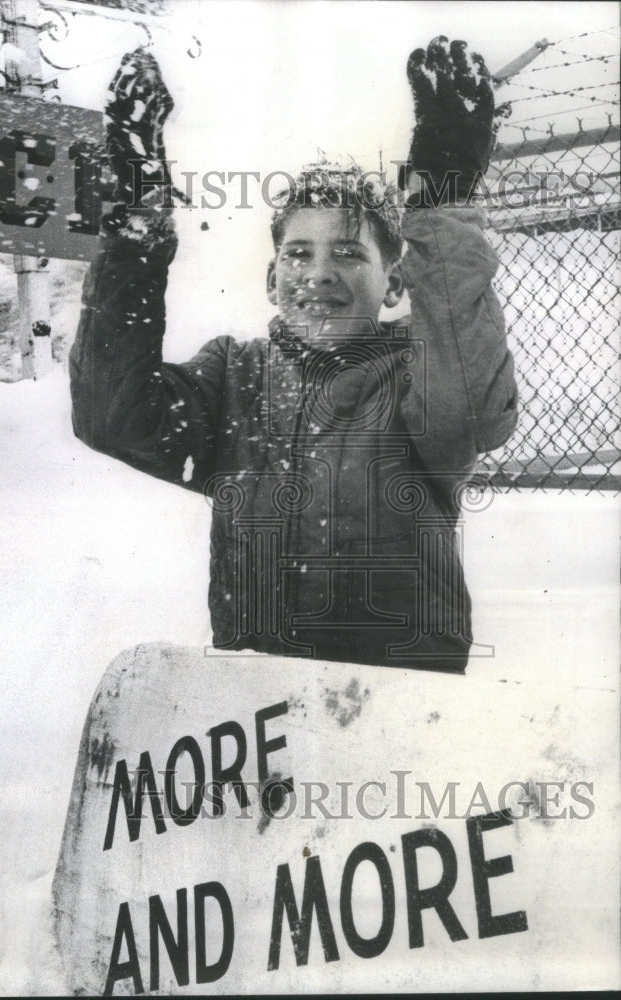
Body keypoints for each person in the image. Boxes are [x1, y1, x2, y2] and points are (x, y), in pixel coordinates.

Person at [69, 37, 518, 672]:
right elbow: (114, 417)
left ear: (394, 283)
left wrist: (440, 202)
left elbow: (469, 415)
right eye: (298, 254)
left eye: (349, 253)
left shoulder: (418, 369)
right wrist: (136, 223)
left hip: (403, 694)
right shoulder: (232, 376)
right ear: (271, 280)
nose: (318, 273)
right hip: (257, 699)